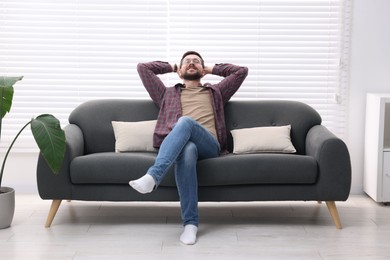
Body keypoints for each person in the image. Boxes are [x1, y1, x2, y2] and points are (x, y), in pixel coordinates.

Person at [130, 51, 248, 245]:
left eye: (196, 62)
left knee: (185, 122)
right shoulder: (165, 94)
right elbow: (144, 68)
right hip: (184, 146)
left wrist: (211, 68)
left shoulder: (217, 92)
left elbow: (241, 72)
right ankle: (190, 225)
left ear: (203, 69)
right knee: (187, 149)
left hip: (210, 145)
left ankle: (154, 175)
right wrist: (173, 66)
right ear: (180, 69)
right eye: (187, 62)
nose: (191, 63)